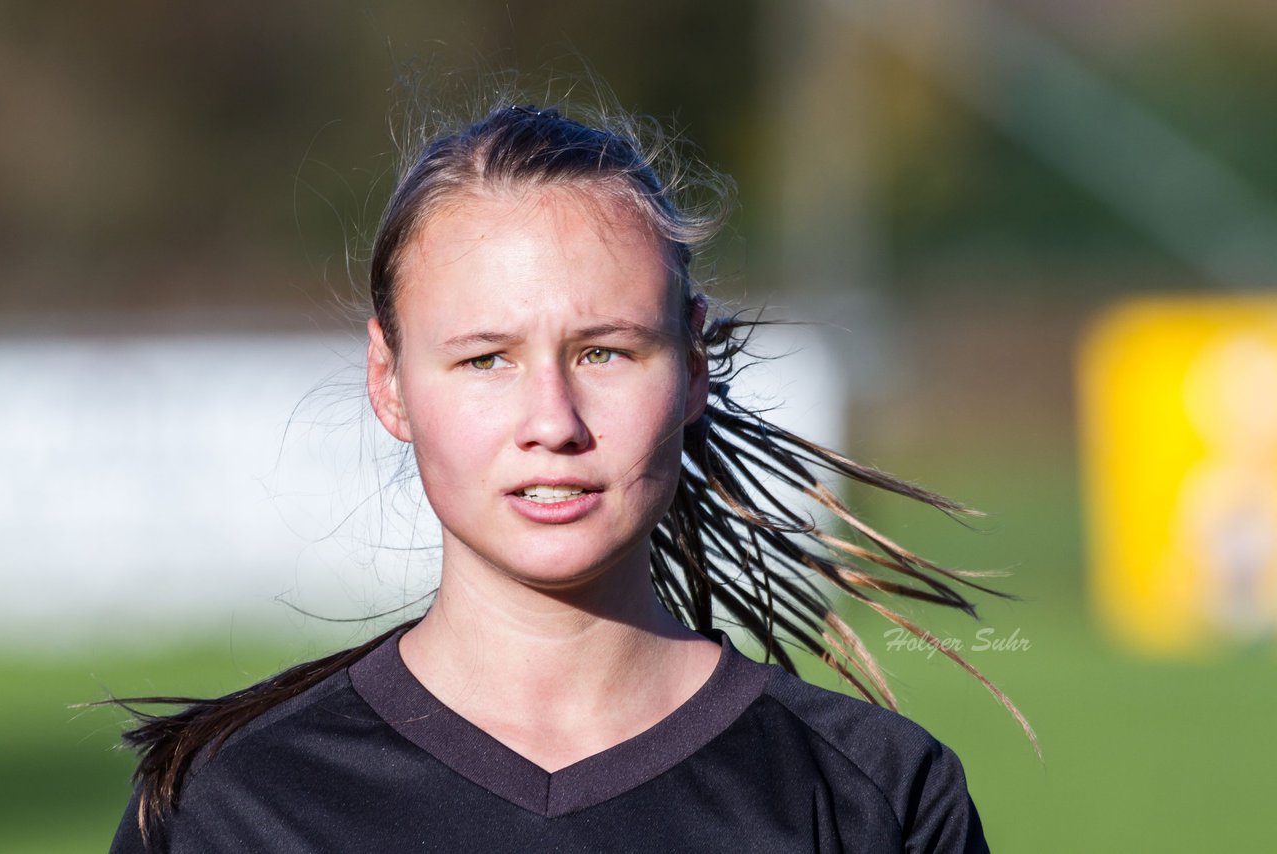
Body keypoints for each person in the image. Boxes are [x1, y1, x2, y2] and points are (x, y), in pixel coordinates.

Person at [109, 98, 1024, 852]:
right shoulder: (233, 809)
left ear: (693, 363)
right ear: (389, 381)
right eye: (486, 360)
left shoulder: (875, 798)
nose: (552, 422)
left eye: (605, 353)